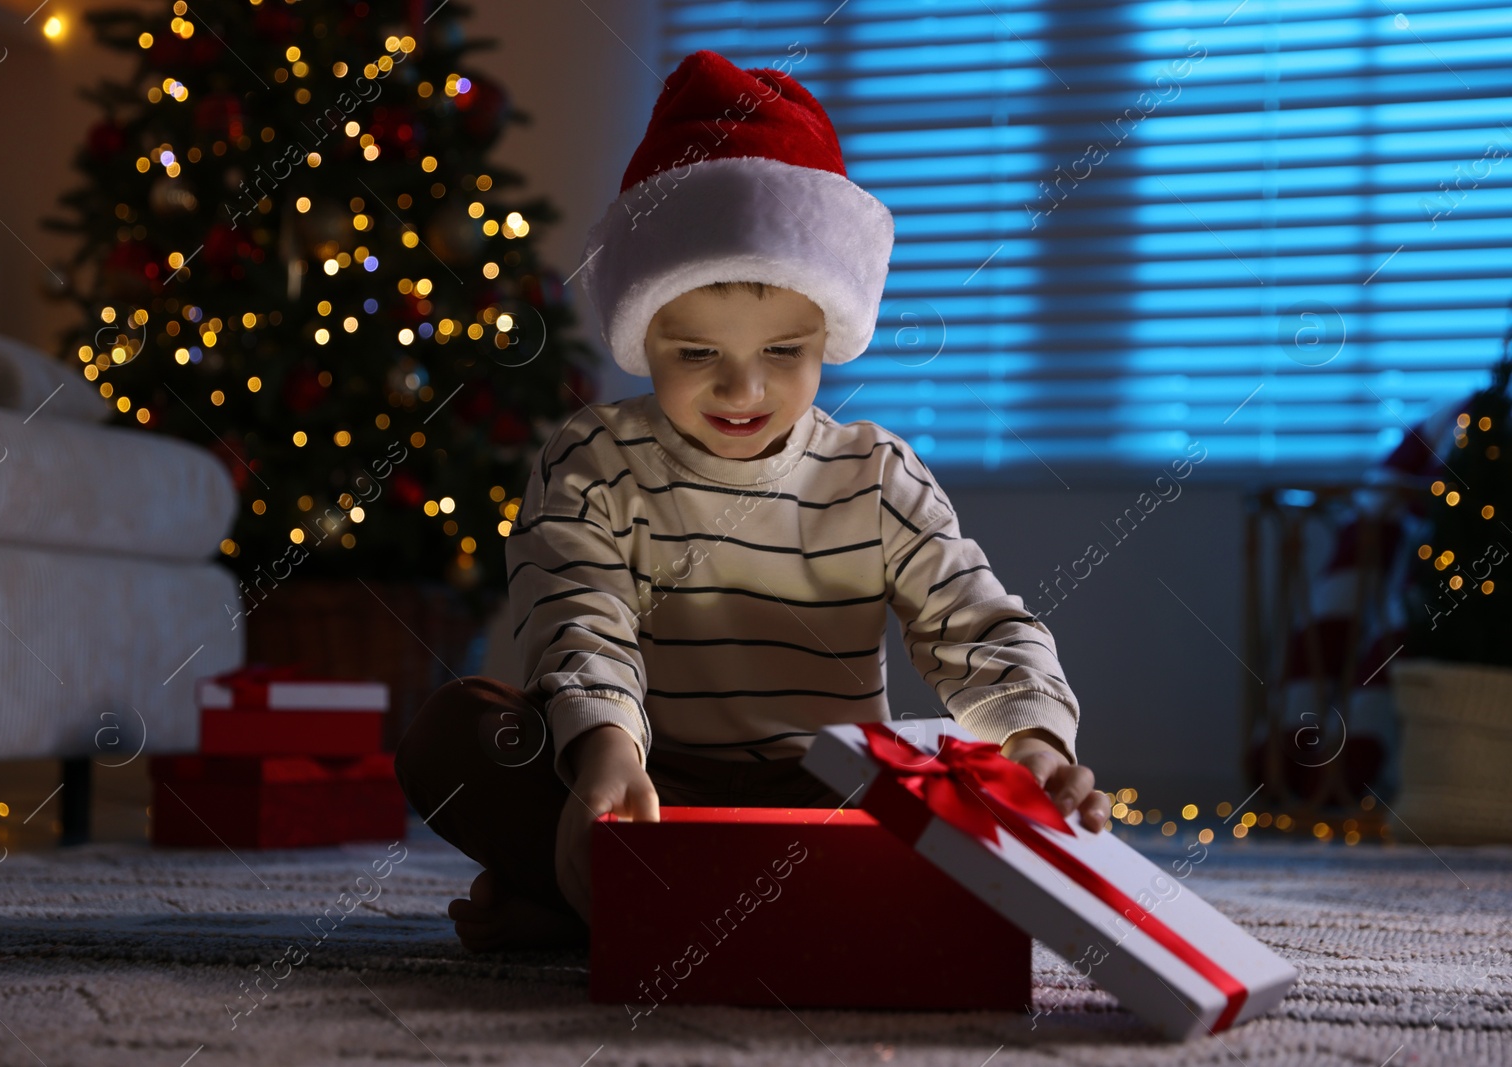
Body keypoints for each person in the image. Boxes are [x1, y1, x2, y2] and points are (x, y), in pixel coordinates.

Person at [394, 49, 1111, 953]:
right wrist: (605, 751)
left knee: (963, 807)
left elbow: (979, 625)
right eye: (696, 352)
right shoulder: (594, 458)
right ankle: (660, 892)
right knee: (454, 734)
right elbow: (580, 616)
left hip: (832, 794)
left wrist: (1034, 745)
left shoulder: (878, 475)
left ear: (830, 335)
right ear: (641, 331)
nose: (742, 389)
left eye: (783, 352)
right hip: (648, 776)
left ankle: (603, 908)